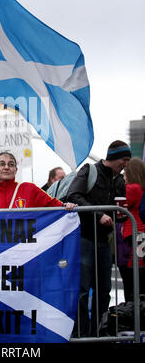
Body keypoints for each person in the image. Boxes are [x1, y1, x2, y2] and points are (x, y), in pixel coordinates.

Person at [67, 140, 132, 337]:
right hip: (84, 238)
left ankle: (99, 332)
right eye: (124, 159)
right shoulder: (89, 171)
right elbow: (73, 196)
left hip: (103, 241)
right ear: (112, 158)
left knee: (104, 290)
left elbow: (119, 208)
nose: (126, 164)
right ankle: (81, 333)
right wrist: (98, 215)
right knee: (83, 290)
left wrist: (119, 214)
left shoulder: (119, 180)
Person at [121, 157, 145, 300]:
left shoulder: (132, 188)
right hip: (140, 233)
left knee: (135, 269)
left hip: (136, 233)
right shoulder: (141, 187)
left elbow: (120, 204)